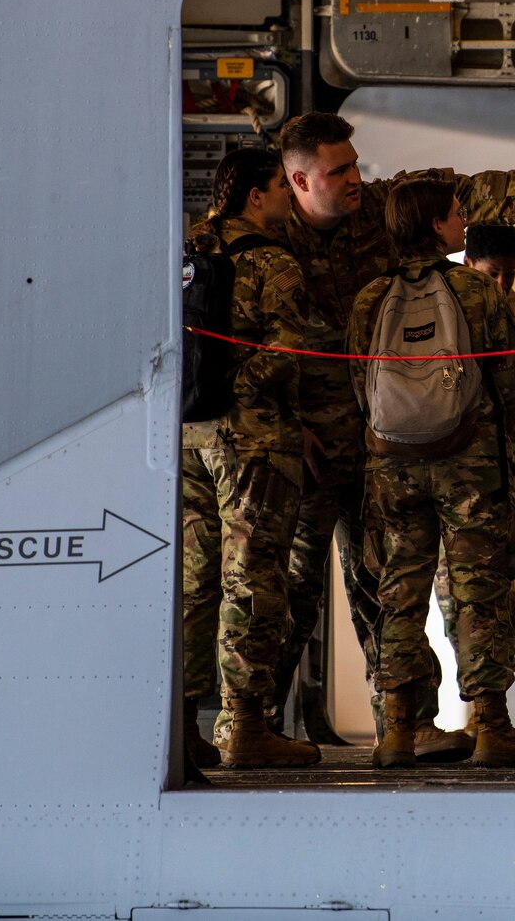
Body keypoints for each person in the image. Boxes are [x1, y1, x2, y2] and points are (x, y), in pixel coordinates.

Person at [268, 111, 515, 750]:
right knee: (292, 591)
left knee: (386, 589)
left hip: (381, 451)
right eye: (338, 171)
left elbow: (472, 189)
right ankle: (262, 727)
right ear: (299, 181)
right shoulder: (271, 240)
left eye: (354, 165)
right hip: (327, 445)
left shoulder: (377, 259)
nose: (354, 180)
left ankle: (404, 725)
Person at [349, 179, 515, 769]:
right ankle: (492, 727)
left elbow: (358, 388)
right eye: (457, 214)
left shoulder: (370, 298)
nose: (464, 221)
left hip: (392, 466)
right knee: (478, 593)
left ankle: (395, 730)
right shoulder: (476, 293)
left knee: (399, 592)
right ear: (436, 224)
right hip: (468, 465)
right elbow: (504, 384)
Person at [196, 147, 324, 768]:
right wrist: (242, 388)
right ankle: (245, 725)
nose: (286, 198)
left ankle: (182, 727)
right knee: (253, 577)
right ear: (254, 195)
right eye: (279, 186)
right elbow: (287, 350)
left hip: (187, 433)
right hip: (252, 440)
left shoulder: (189, 246)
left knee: (193, 582)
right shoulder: (274, 263)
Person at [429, 224, 515, 727]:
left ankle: (490, 715)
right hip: (453, 476)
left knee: (495, 592)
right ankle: (476, 708)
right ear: (468, 265)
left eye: (510, 273)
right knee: (453, 597)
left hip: (514, 480)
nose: (502, 285)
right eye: (492, 274)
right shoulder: (440, 322)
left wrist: (505, 402)